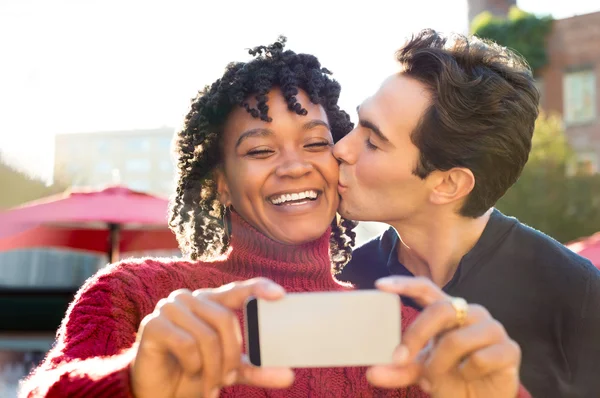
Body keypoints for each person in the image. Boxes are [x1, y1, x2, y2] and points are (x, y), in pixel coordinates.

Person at [19, 38, 527, 398]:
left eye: (315, 142)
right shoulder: (136, 298)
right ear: (220, 181)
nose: (293, 166)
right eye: (260, 150)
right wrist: (132, 382)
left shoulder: (412, 334)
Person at [334, 29, 600, 398]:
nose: (341, 149)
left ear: (449, 184)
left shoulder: (576, 294)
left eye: (373, 142)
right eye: (356, 123)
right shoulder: (345, 280)